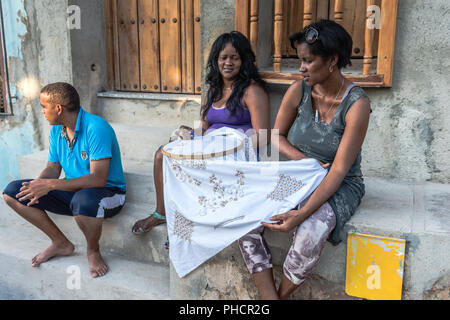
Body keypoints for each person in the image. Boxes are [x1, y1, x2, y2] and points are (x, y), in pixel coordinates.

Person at [238, 19, 371, 299]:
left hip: (340, 183)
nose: (301, 68)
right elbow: (276, 137)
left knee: (311, 230)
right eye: (300, 60)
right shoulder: (298, 90)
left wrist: (301, 213)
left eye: (308, 61)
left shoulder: (357, 105)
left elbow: (337, 171)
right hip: (298, 175)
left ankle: (280, 296)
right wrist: (304, 161)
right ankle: (268, 298)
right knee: (246, 215)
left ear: (332, 60)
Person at [131, 31, 270, 234]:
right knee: (163, 154)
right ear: (216, 61)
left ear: (244, 61)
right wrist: (188, 133)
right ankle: (161, 212)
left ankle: (190, 223)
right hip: (210, 146)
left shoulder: (252, 91)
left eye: (235, 57)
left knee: (197, 164)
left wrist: (227, 146)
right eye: (223, 57)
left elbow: (264, 136)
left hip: (235, 153)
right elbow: (204, 124)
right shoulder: (214, 89)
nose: (228, 63)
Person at [2, 82, 126, 278]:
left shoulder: (96, 127)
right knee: (12, 192)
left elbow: (98, 179)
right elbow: (53, 168)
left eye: (44, 106)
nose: (42, 111)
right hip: (73, 191)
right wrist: (37, 186)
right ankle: (60, 243)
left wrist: (50, 185)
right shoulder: (57, 130)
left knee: (83, 201)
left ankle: (93, 250)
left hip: (108, 193)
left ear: (58, 108)